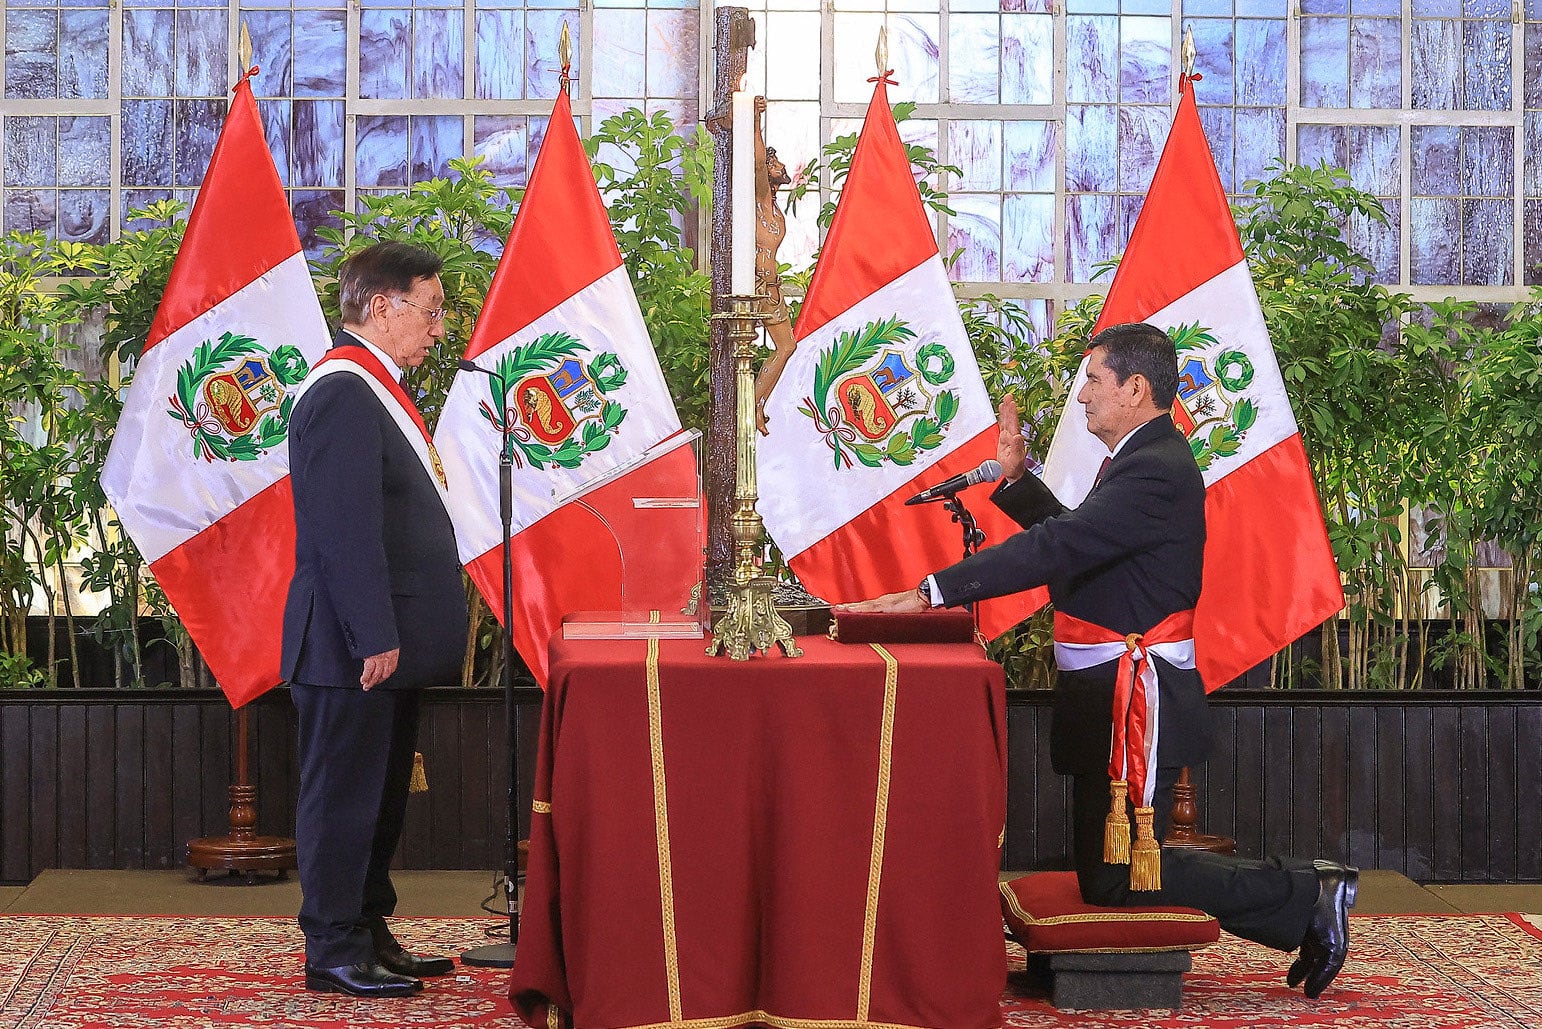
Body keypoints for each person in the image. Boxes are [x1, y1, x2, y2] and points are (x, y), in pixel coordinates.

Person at [838, 322, 1357, 1000]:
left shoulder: (1158, 465)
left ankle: (1307, 891)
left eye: (1093, 380)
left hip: (1137, 702)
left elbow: (1066, 545)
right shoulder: (1143, 460)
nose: (1081, 395)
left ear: (1135, 387)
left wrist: (931, 591)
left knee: (1122, 874)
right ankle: (1304, 896)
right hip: (1108, 698)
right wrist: (1019, 482)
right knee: (1103, 871)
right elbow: (1085, 548)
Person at [282, 241, 469, 998]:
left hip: (382, 644)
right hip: (350, 645)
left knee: (380, 798)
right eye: (429, 310)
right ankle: (331, 945)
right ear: (382, 306)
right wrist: (374, 634)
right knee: (343, 797)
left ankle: (368, 928)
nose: (438, 328)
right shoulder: (342, 393)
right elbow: (343, 528)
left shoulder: (378, 390)